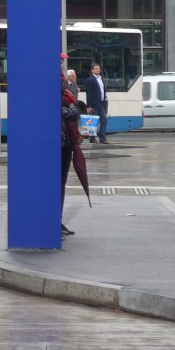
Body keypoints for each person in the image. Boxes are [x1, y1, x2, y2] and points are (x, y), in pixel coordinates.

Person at [60, 80, 82, 236]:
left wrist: (64, 111)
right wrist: (66, 111)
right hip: (59, 144)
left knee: (61, 184)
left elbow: (75, 112)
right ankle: (53, 221)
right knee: (56, 184)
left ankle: (57, 221)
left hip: (67, 144)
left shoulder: (67, 95)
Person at [83, 62, 108, 144]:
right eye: (96, 68)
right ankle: (92, 138)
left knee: (104, 120)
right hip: (93, 104)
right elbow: (88, 94)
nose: (98, 69)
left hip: (101, 104)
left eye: (99, 68)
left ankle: (102, 138)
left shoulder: (101, 79)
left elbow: (103, 91)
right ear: (92, 70)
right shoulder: (90, 80)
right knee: (93, 122)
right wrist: (89, 106)